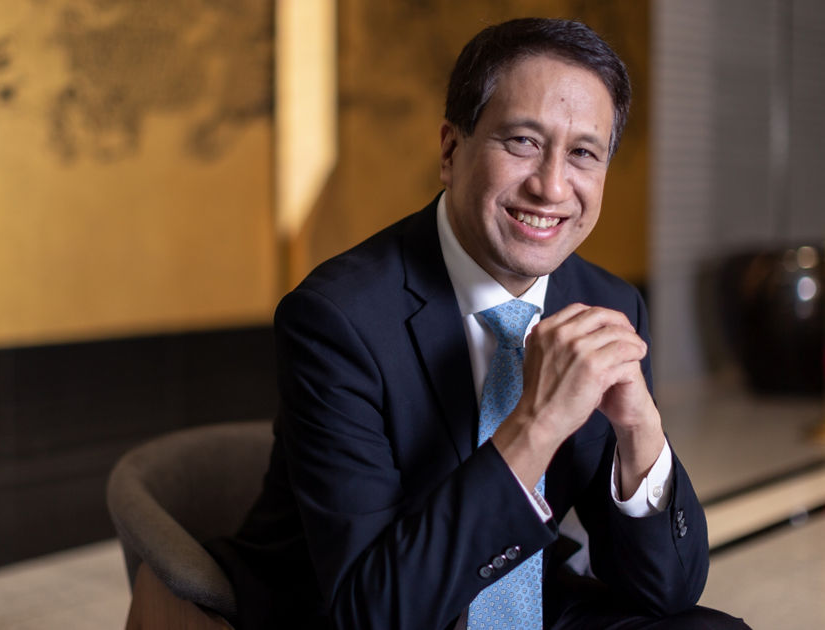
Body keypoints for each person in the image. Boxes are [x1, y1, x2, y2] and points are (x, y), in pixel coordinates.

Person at [209, 17, 750, 630]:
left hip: (527, 594)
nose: (551, 187)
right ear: (450, 151)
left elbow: (666, 590)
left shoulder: (609, 305)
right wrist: (538, 423)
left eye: (582, 153)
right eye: (522, 141)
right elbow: (374, 611)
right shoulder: (337, 318)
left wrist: (641, 430)